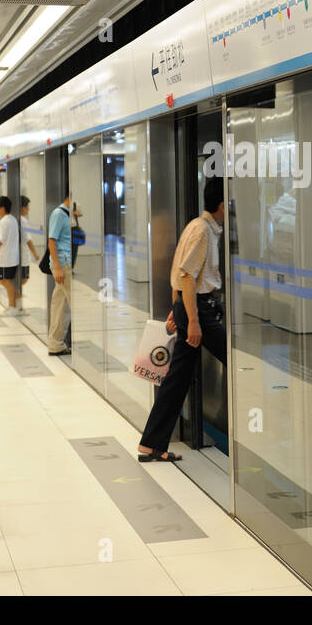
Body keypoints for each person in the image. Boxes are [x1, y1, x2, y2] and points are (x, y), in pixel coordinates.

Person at [137, 177, 227, 463]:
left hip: (189, 307)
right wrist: (193, 320)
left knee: (176, 379)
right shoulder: (203, 232)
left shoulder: (195, 226)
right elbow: (187, 276)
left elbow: (179, 272)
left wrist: (178, 308)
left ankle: (151, 444)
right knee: (235, 361)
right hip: (199, 310)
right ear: (223, 204)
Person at [45, 193, 74, 354]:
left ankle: (55, 344)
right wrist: (56, 267)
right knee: (72, 304)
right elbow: (51, 241)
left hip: (64, 263)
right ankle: (58, 343)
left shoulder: (68, 215)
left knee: (60, 305)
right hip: (63, 265)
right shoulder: (59, 214)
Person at [0, 195, 23, 316]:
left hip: (6, 258)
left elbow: (0, 240)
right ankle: (17, 303)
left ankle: (13, 306)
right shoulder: (12, 219)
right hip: (13, 256)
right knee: (4, 280)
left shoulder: (3, 222)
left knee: (5, 280)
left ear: (2, 208)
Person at [20, 196, 41, 297]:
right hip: (23, 256)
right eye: (28, 207)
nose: (28, 209)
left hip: (18, 255)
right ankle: (16, 301)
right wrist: (35, 252)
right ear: (23, 208)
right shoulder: (23, 220)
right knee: (23, 278)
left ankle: (15, 299)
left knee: (22, 279)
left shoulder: (16, 218)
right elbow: (28, 240)